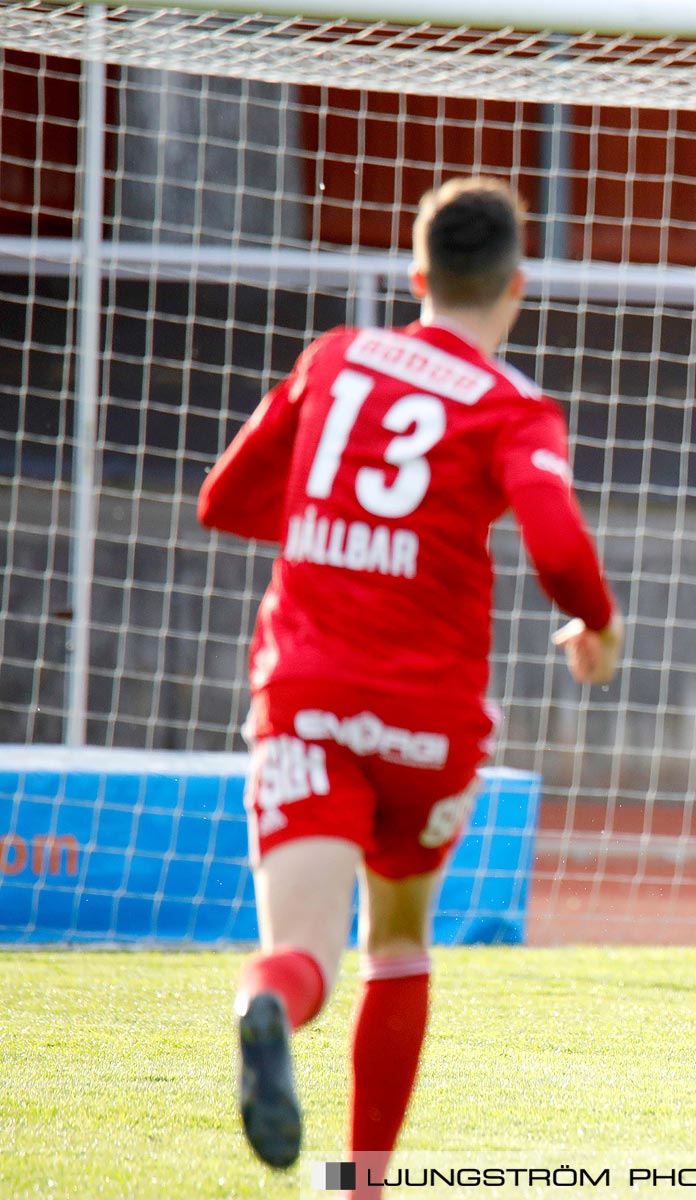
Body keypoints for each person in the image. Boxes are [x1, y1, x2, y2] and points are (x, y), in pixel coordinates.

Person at [197, 177, 623, 1193]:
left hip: (303, 693)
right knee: (396, 940)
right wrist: (598, 626)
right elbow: (557, 544)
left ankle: (267, 1002)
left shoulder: (334, 357)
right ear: (515, 288)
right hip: (426, 721)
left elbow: (225, 498)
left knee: (301, 954)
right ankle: (365, 1182)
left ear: (415, 273)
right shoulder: (515, 407)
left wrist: (340, 529)